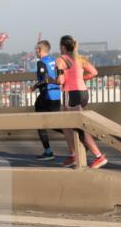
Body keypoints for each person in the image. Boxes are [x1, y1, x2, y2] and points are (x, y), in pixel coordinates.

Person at [55, 35, 107, 169]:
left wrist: (53, 80)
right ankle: (74, 154)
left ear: (63, 47)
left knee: (78, 126)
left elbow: (60, 81)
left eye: (60, 46)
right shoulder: (80, 58)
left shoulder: (61, 60)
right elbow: (94, 72)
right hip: (83, 93)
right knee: (66, 125)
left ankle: (98, 156)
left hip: (71, 93)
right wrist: (83, 78)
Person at [30, 40, 62, 160]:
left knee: (40, 122)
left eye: (36, 50)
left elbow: (44, 80)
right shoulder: (55, 61)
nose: (35, 52)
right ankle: (78, 138)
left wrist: (34, 86)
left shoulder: (41, 63)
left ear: (39, 50)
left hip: (46, 95)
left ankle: (48, 152)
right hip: (56, 94)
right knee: (56, 123)